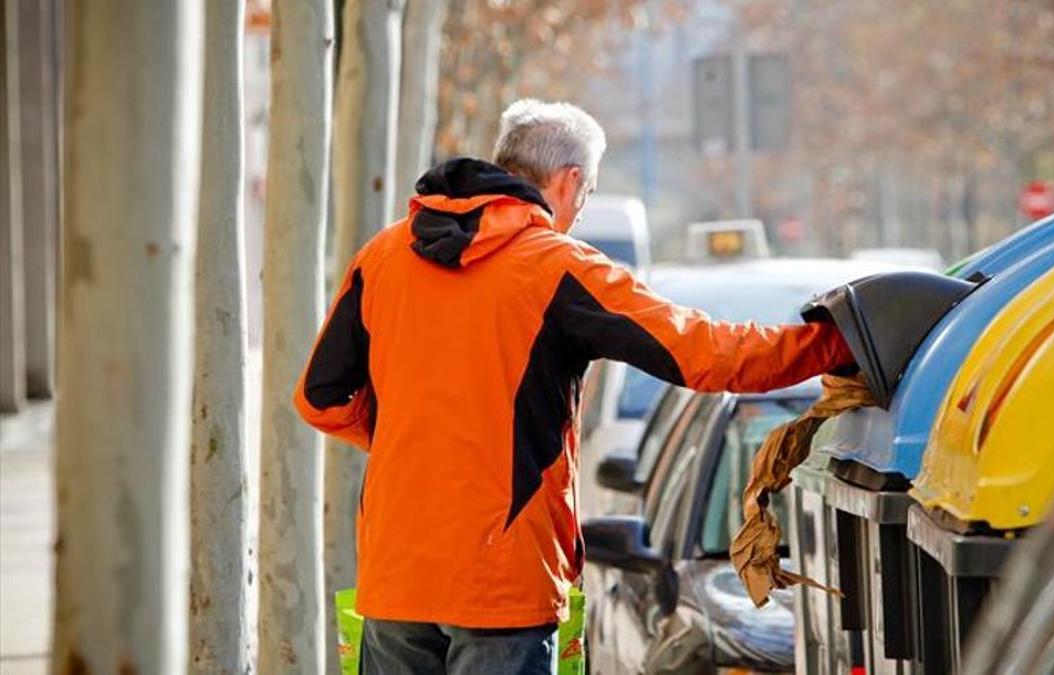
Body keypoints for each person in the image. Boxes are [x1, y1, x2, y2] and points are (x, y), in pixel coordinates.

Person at [293, 99, 855, 674]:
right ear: (570, 181)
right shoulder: (557, 269)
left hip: (395, 573)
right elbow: (703, 352)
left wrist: (416, 445)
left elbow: (319, 397)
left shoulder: (382, 257)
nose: (579, 212)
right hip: (502, 582)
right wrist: (837, 344)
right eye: (585, 197)